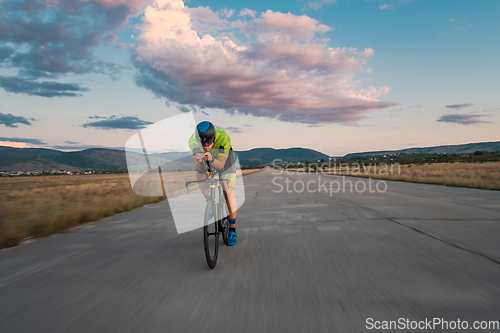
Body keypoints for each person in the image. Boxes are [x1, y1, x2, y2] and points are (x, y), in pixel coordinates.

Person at [189, 121, 238, 246]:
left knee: (228, 190)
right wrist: (199, 161)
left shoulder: (223, 138)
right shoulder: (193, 141)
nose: (205, 146)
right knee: (200, 175)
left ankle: (232, 229)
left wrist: (211, 159)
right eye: (202, 143)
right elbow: (199, 168)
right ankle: (210, 202)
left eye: (209, 143)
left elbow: (221, 165)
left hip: (225, 162)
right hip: (207, 160)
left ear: (214, 138)